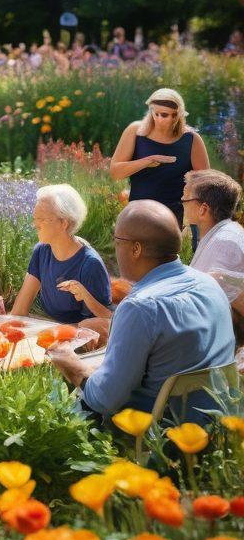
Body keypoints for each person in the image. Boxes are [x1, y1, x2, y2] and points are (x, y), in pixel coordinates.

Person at [51, 201, 235, 422]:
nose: (115, 247)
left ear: (136, 249)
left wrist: (74, 367)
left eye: (117, 241)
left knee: (54, 400)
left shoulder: (140, 307)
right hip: (216, 422)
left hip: (158, 435)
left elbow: (104, 400)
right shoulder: (209, 284)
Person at [110, 88, 209, 228]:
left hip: (174, 218)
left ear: (177, 116)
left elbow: (206, 185)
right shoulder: (135, 131)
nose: (159, 119)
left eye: (165, 115)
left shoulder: (192, 140)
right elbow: (115, 172)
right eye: (155, 113)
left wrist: (193, 221)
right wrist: (147, 161)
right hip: (138, 213)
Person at [11, 185, 112, 324]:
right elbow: (19, 311)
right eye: (35, 218)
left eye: (42, 219)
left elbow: (100, 325)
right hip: (48, 331)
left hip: (79, 339)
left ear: (64, 222)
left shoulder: (90, 265)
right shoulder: (41, 251)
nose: (36, 225)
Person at [183, 170, 244, 343]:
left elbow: (218, 293)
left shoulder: (225, 242)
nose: (182, 202)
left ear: (203, 209)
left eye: (186, 198)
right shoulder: (221, 233)